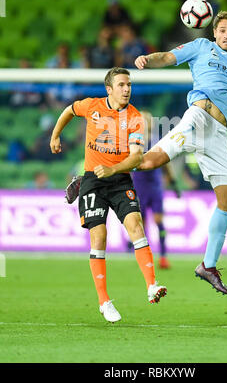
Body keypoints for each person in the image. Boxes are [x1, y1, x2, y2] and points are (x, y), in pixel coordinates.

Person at [134, 11, 227, 295]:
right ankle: (99, 170)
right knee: (150, 162)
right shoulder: (201, 48)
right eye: (222, 30)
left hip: (218, 135)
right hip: (197, 118)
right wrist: (148, 59)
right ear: (215, 31)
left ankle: (208, 266)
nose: (226, 34)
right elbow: (168, 57)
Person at [50, 67, 167, 323]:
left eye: (129, 85)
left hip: (119, 177)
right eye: (122, 85)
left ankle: (151, 285)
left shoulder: (135, 117)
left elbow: (136, 157)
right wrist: (56, 134)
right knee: (99, 235)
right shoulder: (91, 106)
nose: (127, 89)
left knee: (136, 225)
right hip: (93, 179)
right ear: (109, 89)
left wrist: (113, 168)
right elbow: (70, 110)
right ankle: (104, 301)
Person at [130, 110, 181, 269]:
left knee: (158, 221)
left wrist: (173, 184)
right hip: (139, 187)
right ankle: (144, 258)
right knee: (141, 225)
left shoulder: (157, 143)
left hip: (154, 187)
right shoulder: (132, 142)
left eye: (146, 121)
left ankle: (163, 256)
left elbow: (166, 164)